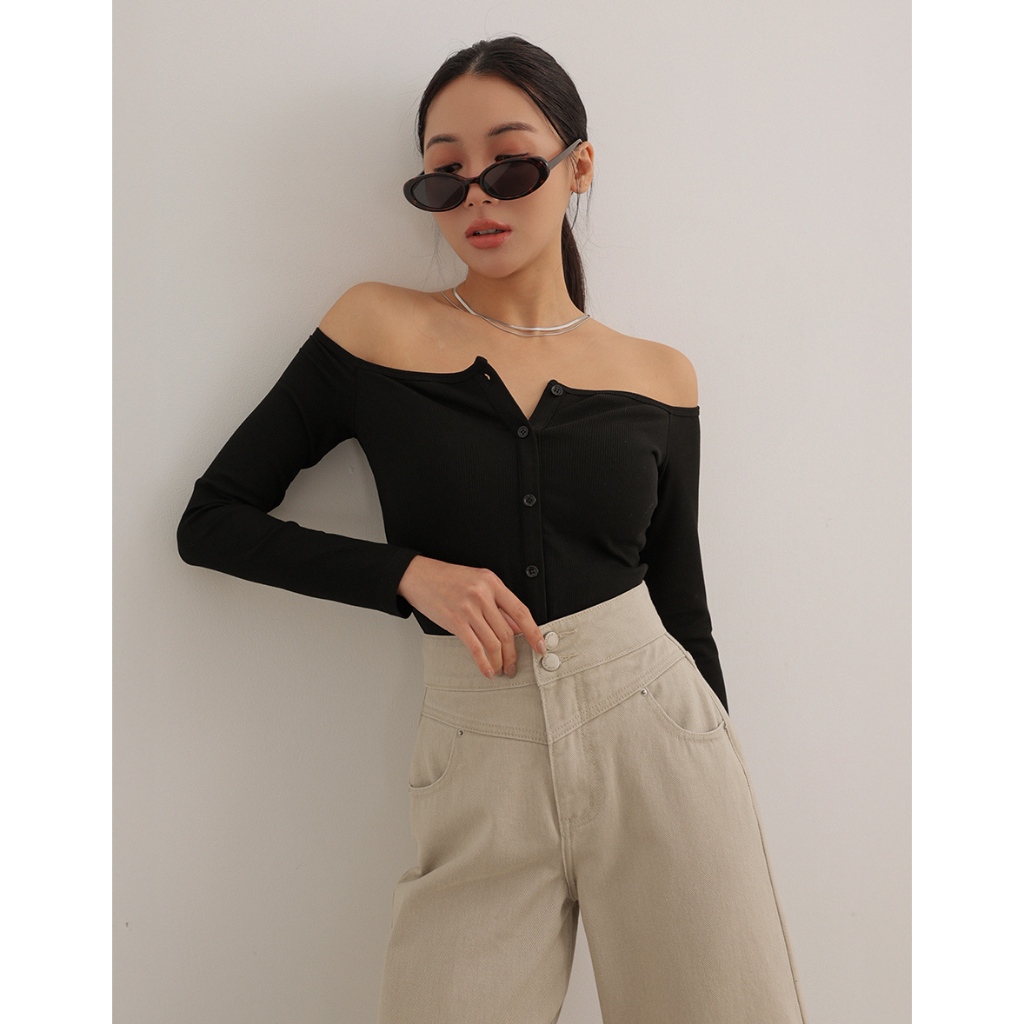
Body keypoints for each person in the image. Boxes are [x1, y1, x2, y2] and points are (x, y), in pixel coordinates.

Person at [177, 35, 808, 1024]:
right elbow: (211, 521)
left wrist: (712, 755)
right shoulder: (374, 326)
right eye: (445, 176)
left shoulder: (659, 376)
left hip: (659, 738)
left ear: (578, 167)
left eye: (511, 165)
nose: (477, 196)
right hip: (477, 740)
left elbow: (681, 601)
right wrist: (408, 575)